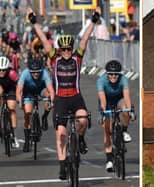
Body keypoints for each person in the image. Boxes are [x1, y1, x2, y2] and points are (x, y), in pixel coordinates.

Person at [27, 7, 100, 180]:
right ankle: (62, 165)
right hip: (60, 99)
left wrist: (95, 19)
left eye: (69, 49)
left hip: (76, 97)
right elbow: (44, 40)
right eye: (64, 49)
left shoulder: (77, 57)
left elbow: (85, 38)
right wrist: (33, 21)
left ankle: (80, 139)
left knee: (82, 120)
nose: (66, 52)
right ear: (59, 50)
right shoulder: (54, 58)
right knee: (60, 133)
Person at [97, 60, 135, 172]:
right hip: (107, 101)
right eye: (111, 74)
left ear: (119, 74)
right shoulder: (101, 81)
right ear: (107, 74)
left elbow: (127, 97)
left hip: (119, 99)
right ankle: (109, 159)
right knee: (107, 130)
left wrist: (130, 111)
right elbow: (102, 101)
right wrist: (103, 112)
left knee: (125, 109)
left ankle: (124, 130)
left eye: (116, 74)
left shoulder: (124, 79)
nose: (113, 76)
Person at [16, 58, 55, 152]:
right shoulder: (25, 73)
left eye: (38, 72)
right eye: (33, 72)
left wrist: (52, 101)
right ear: (29, 71)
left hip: (41, 89)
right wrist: (20, 102)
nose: (36, 74)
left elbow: (51, 89)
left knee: (48, 96)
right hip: (28, 91)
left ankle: (44, 116)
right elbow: (19, 90)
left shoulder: (45, 73)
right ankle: (27, 140)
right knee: (28, 113)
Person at [0, 56, 19, 148]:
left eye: (4, 70)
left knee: (11, 107)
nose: (1, 72)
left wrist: (19, 96)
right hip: (1, 88)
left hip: (11, 89)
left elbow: (19, 85)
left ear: (7, 69)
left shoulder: (12, 73)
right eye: (0, 70)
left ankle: (13, 133)